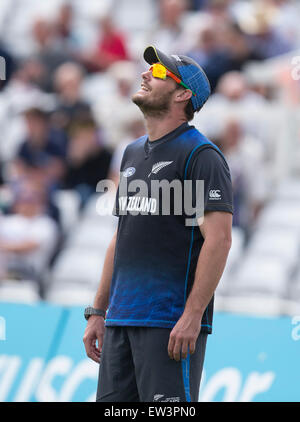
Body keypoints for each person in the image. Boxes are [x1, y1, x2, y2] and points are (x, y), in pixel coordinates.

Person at [83, 45, 233, 402]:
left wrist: (193, 315)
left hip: (168, 324)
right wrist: (99, 310)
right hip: (121, 321)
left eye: (160, 72)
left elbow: (219, 241)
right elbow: (122, 236)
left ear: (183, 94)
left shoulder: (202, 155)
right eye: (148, 69)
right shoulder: (132, 152)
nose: (145, 74)